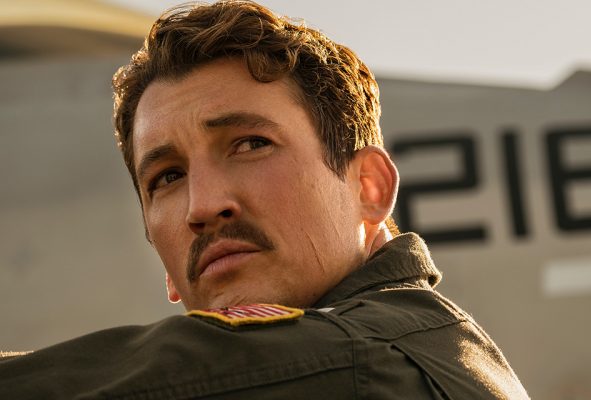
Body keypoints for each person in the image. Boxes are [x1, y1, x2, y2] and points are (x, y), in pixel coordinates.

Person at [0, 1, 529, 398]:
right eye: (166, 177)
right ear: (163, 264)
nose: (201, 207)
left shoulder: (367, 362)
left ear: (368, 187)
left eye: (251, 144)